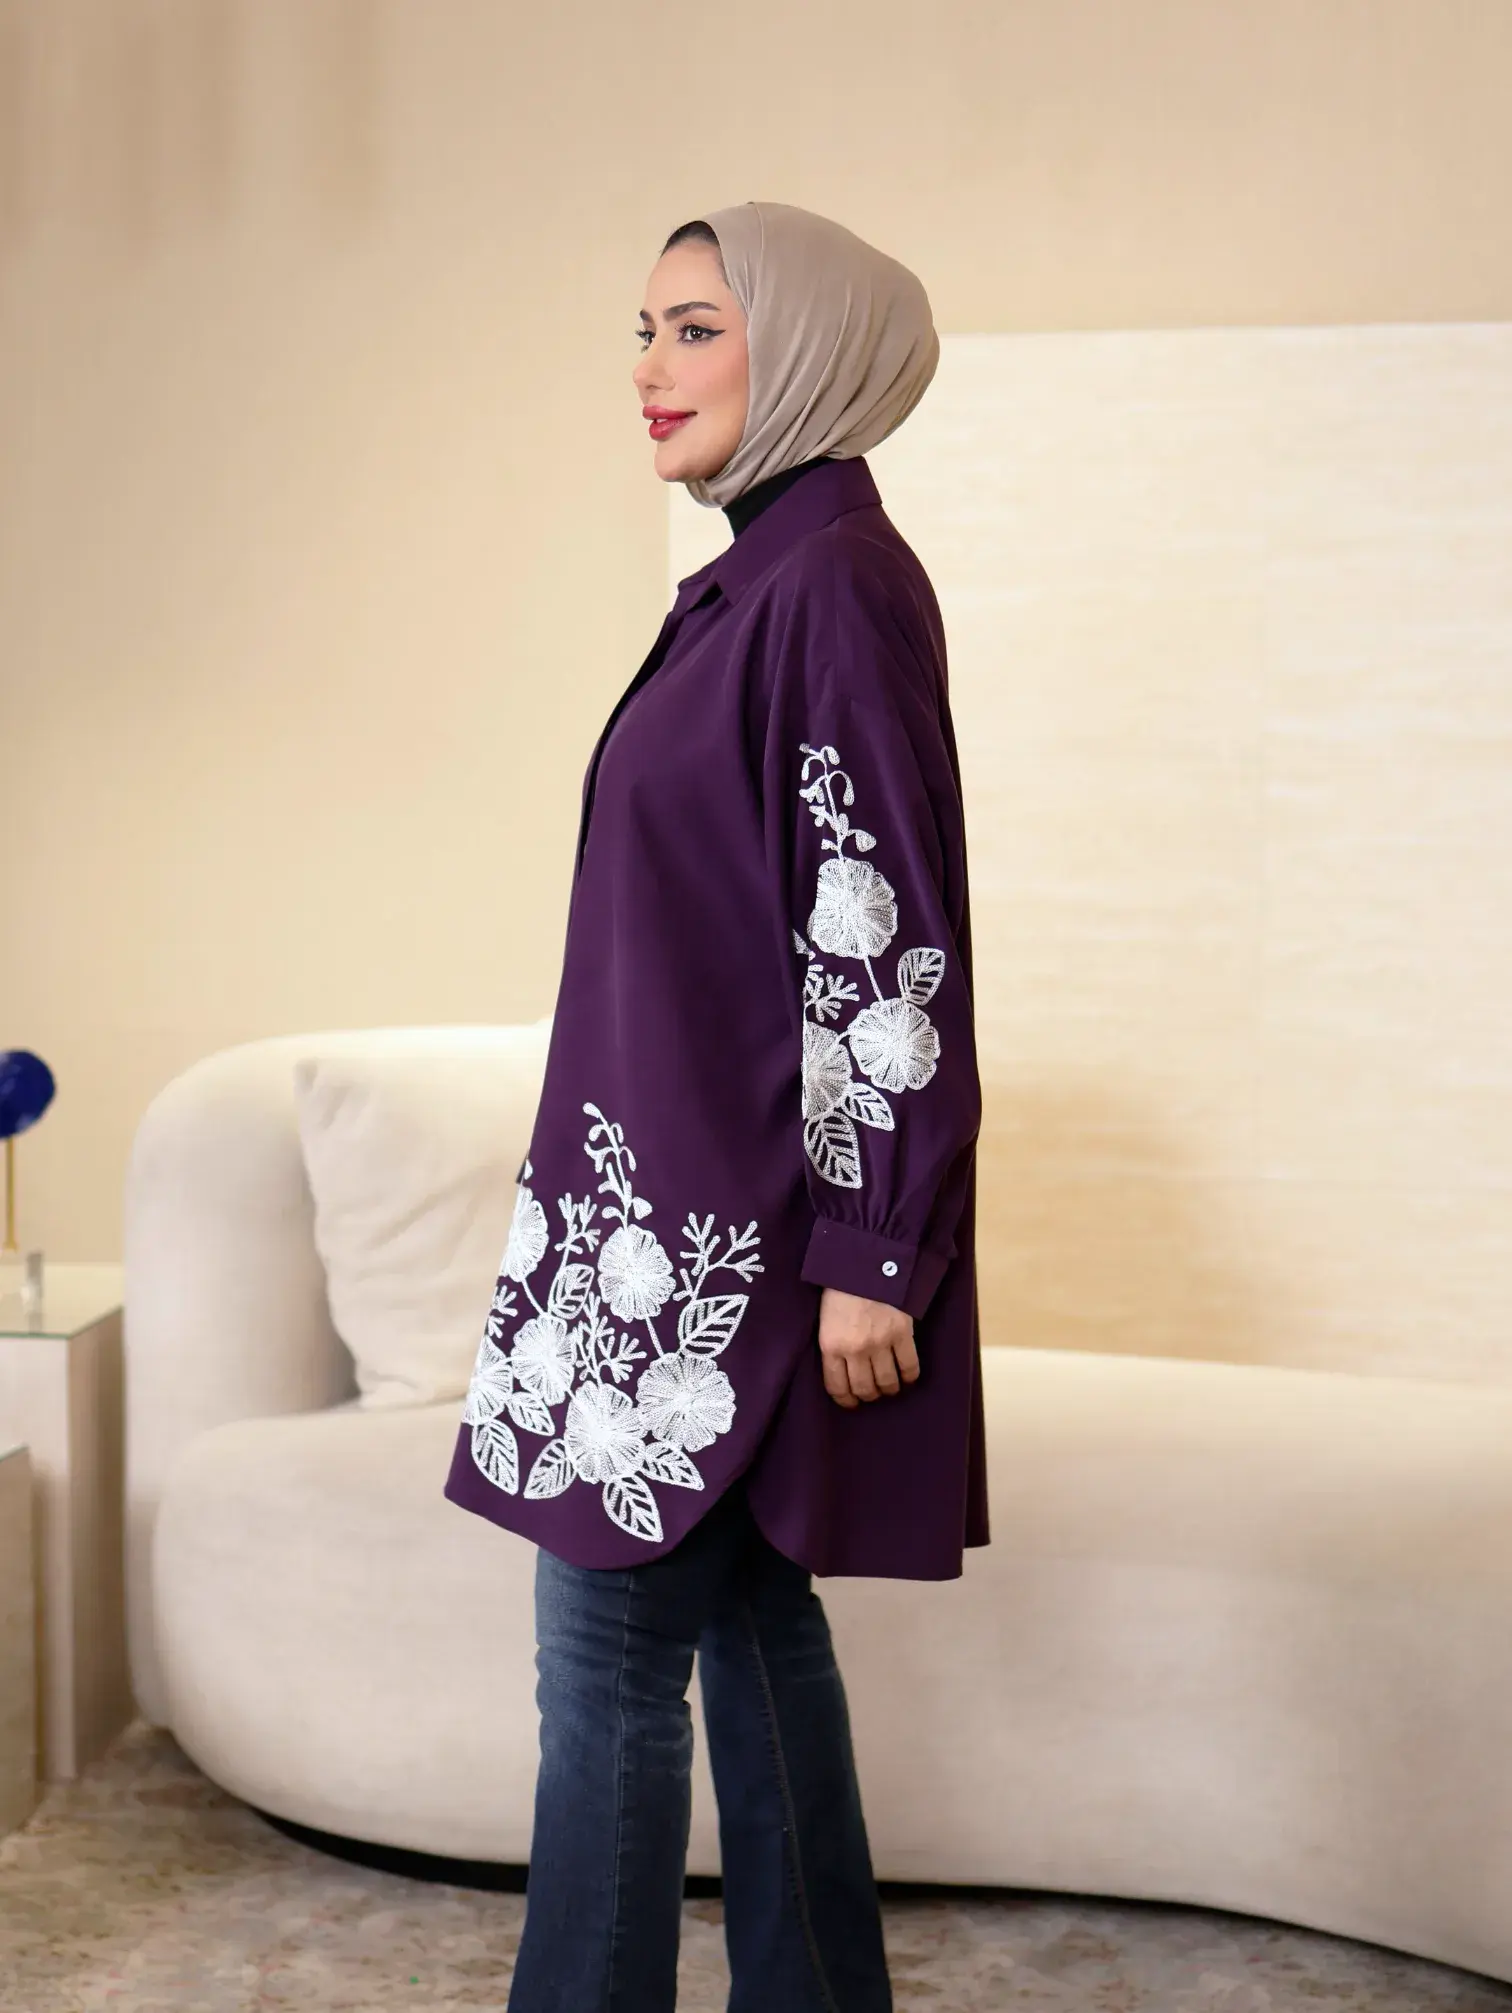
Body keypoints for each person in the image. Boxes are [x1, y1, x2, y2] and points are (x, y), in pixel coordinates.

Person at [443, 200, 989, 2013]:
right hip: (663, 1206)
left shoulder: (827, 588)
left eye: (695, 328)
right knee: (750, 1623)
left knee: (604, 1656)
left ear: (806, 346)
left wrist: (874, 1249)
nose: (649, 371)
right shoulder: (765, 580)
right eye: (644, 332)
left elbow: (878, 926)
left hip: (721, 1236)